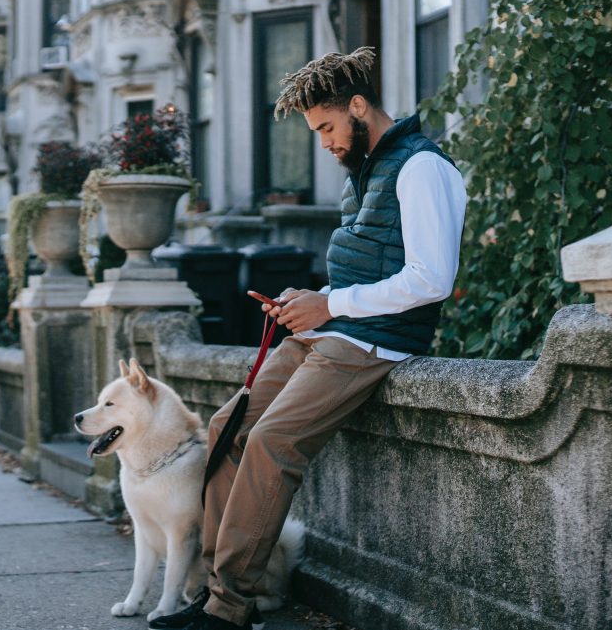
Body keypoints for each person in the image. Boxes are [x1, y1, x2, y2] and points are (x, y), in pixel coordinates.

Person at [150, 46, 467, 630]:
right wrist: (309, 300)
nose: (323, 141)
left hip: (376, 342)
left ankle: (229, 606)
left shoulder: (423, 166)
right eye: (315, 131)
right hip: (333, 328)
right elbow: (364, 269)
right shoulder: (365, 174)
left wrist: (331, 305)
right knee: (226, 427)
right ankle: (212, 584)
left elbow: (431, 279)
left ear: (357, 105)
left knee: (272, 441)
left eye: (326, 127)